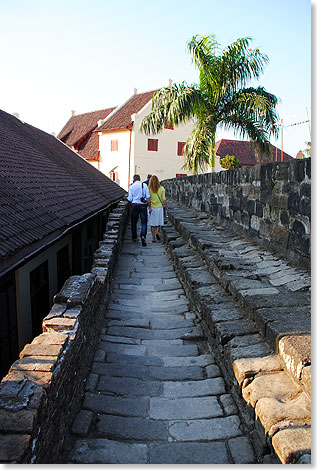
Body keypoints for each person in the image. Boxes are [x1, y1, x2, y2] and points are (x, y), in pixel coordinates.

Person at [127, 174, 152, 246]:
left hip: (134, 205)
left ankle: (134, 237)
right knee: (144, 222)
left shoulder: (131, 186)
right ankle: (143, 235)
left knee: (133, 222)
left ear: (134, 179)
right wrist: (149, 206)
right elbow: (148, 197)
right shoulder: (144, 186)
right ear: (140, 179)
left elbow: (130, 199)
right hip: (143, 206)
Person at [148, 175, 168, 243]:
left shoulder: (149, 189)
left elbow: (148, 199)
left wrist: (149, 206)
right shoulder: (162, 188)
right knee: (158, 222)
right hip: (159, 207)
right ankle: (157, 232)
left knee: (152, 224)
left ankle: (153, 238)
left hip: (152, 208)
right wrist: (167, 207)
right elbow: (164, 199)